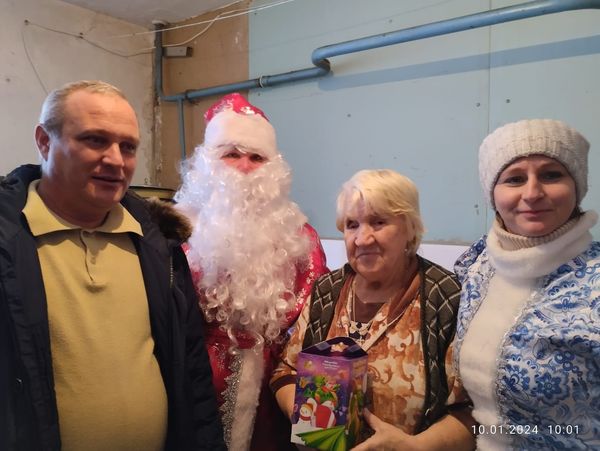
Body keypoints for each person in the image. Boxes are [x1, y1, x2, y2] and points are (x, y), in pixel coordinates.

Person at [0, 80, 225, 451]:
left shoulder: (158, 245)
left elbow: (192, 374)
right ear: (44, 141)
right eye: (95, 140)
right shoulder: (9, 241)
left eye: (128, 146)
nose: (116, 161)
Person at [270, 169, 476, 450]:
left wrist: (416, 447)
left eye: (378, 222)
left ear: (410, 229)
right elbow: (286, 371)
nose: (362, 239)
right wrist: (307, 420)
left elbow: (474, 412)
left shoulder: (446, 297)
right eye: (352, 225)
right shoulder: (327, 291)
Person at [174, 93, 329, 451]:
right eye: (231, 153)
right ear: (209, 162)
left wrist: (320, 430)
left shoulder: (301, 239)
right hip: (193, 386)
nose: (244, 166)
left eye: (257, 157)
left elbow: (318, 328)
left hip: (276, 393)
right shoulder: (176, 234)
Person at [454, 119, 600, 450]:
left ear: (577, 187)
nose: (532, 193)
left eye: (552, 175)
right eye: (515, 178)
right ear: (492, 193)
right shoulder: (477, 266)